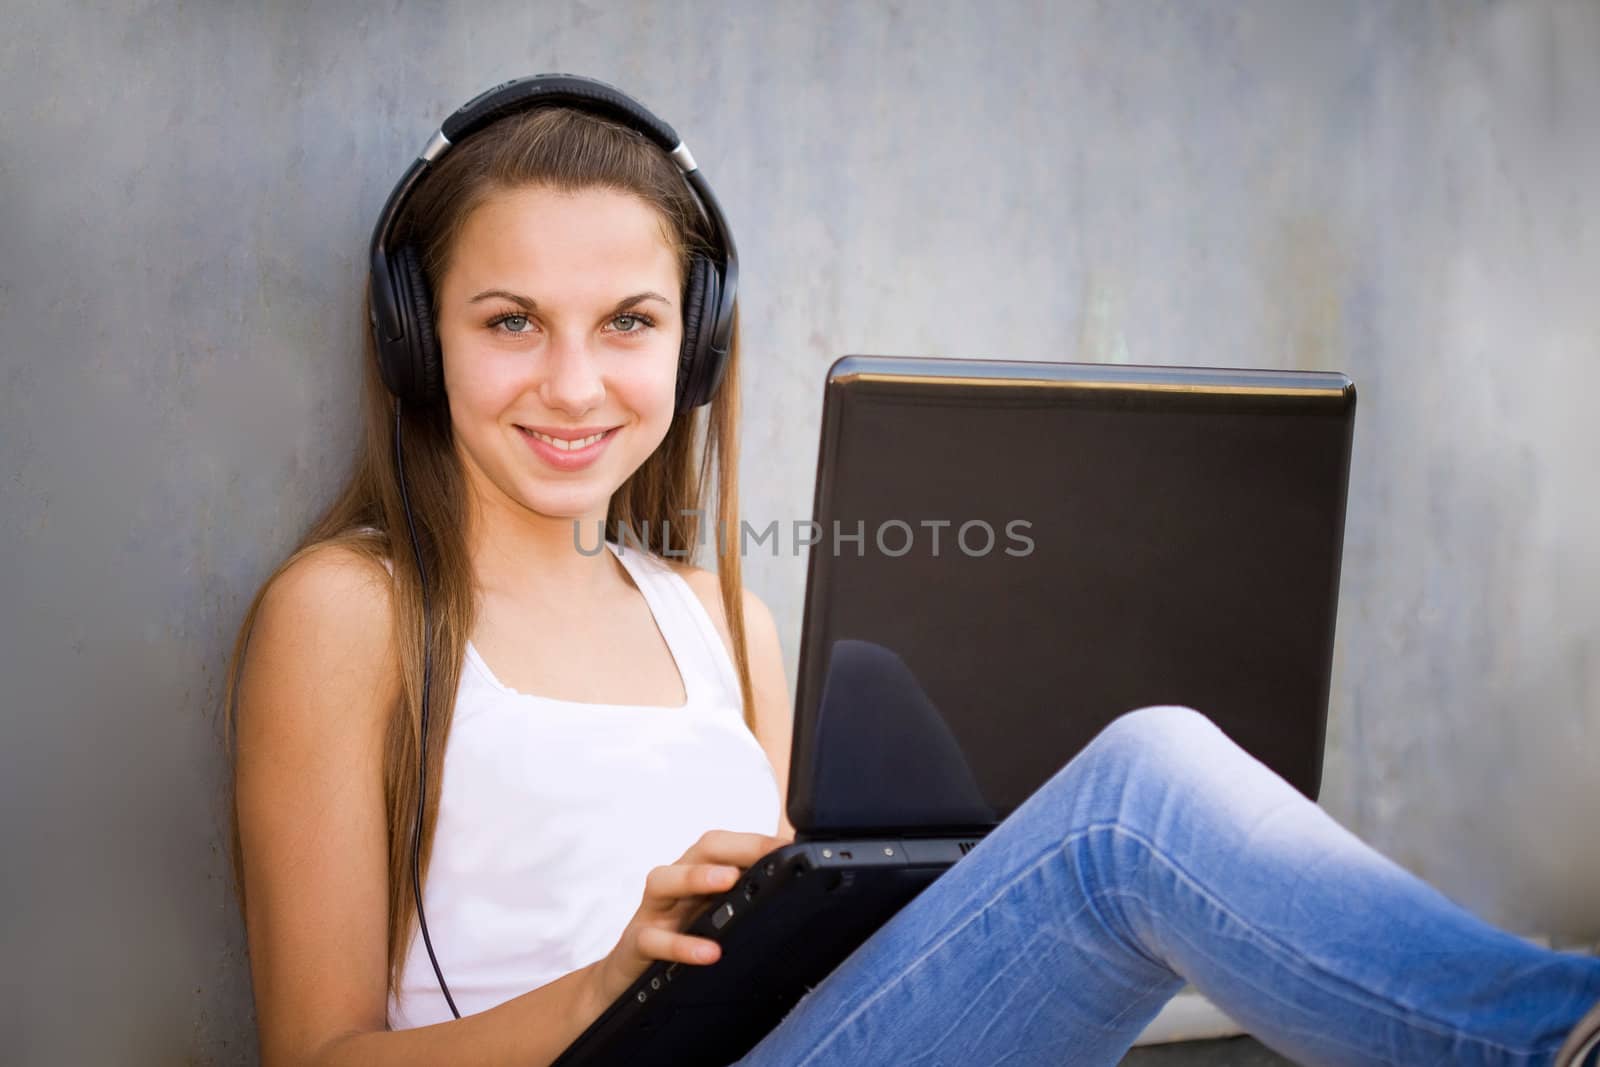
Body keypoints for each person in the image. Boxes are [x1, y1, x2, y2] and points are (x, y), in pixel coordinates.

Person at [223, 77, 1600, 1067]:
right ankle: (1552, 1039)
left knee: (1044, 777)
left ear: (693, 348)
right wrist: (598, 998)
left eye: (629, 322)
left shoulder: (723, 623)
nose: (574, 383)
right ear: (418, 339)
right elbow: (314, 1054)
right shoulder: (350, 613)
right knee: (1137, 795)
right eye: (511, 321)